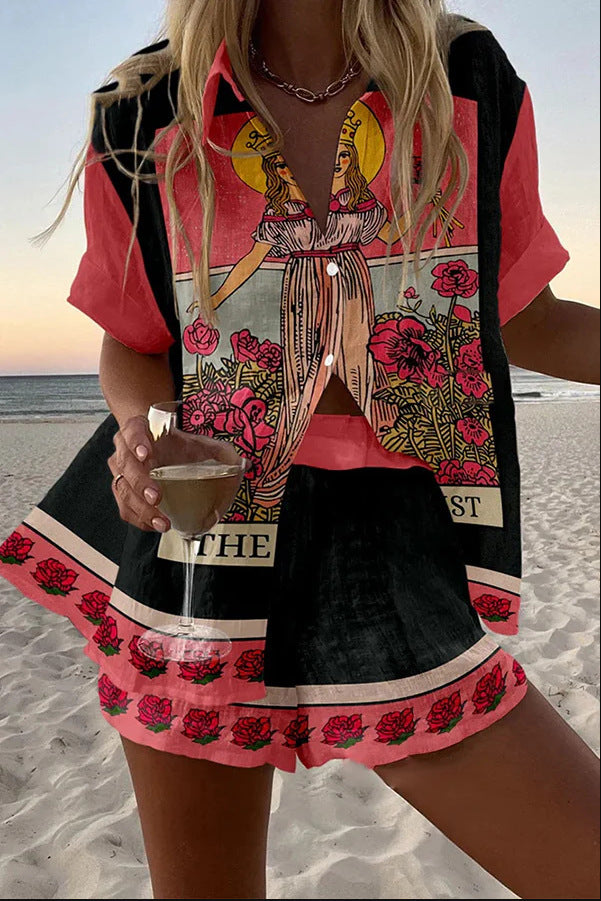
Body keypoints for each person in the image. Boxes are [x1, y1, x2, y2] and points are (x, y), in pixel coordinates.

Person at [0, 1, 599, 898]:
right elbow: (135, 339)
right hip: (201, 552)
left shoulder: (464, 78)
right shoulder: (144, 107)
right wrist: (146, 432)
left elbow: (527, 316)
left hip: (393, 539)